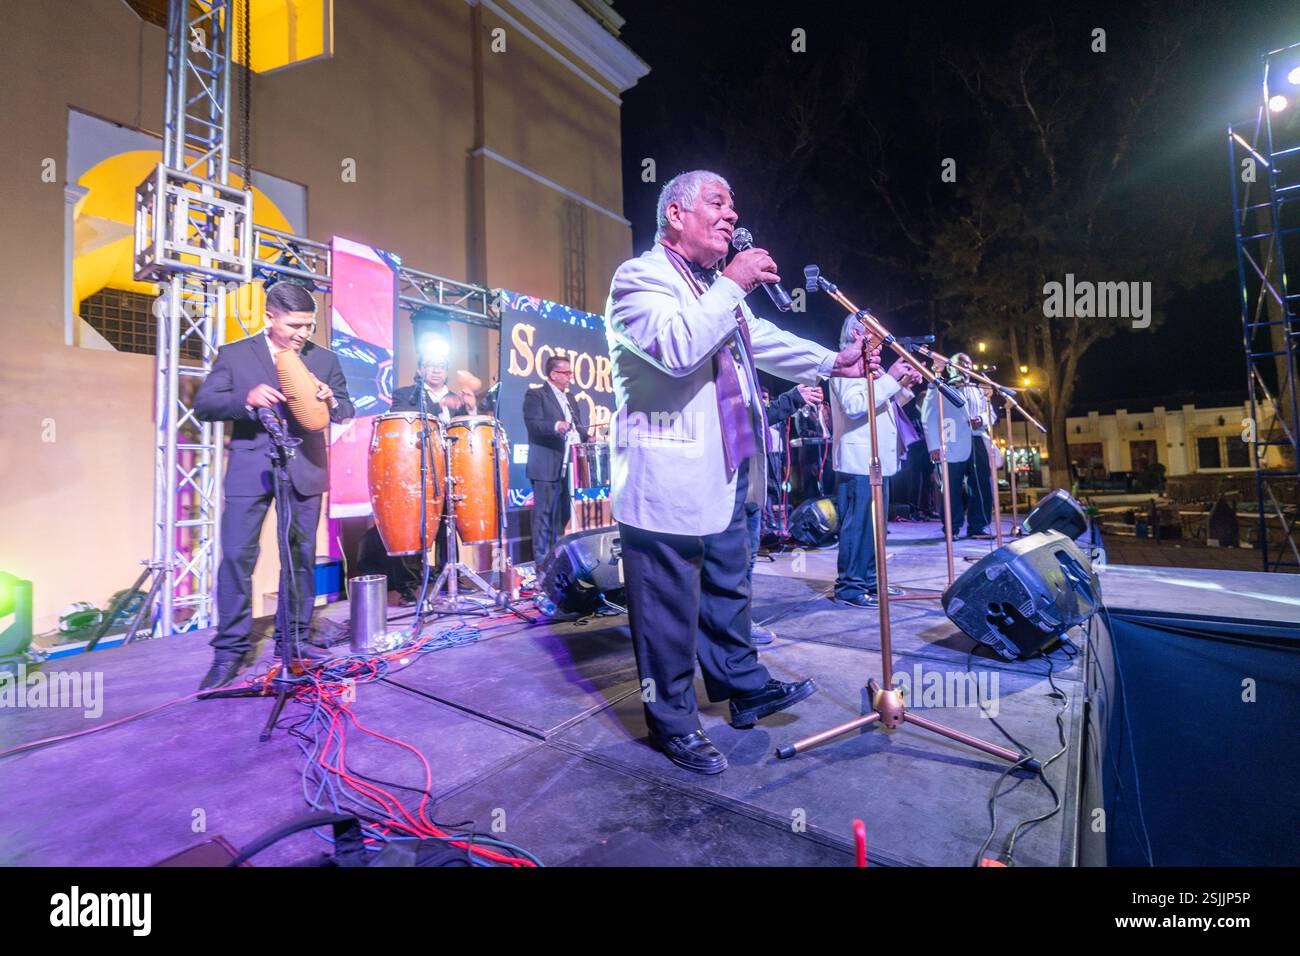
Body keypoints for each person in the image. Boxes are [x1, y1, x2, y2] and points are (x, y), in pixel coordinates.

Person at [605, 169, 878, 775]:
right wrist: (731, 284)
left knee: (729, 587)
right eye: (718, 203)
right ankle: (672, 723)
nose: (731, 215)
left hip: (728, 466)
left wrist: (835, 361)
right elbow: (677, 348)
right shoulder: (639, 278)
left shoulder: (709, 288)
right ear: (676, 214)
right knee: (668, 608)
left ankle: (742, 683)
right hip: (667, 475)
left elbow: (767, 343)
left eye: (735, 205)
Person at [193, 281, 354, 691]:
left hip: (304, 468)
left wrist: (330, 399)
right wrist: (246, 400)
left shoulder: (325, 359)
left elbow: (346, 409)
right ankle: (229, 650)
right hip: (251, 469)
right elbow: (206, 404)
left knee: (299, 557)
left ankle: (293, 642)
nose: (303, 333)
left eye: (308, 325)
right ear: (269, 317)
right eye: (295, 325)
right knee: (237, 557)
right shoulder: (236, 354)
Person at [829, 329, 923, 607]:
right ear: (856, 332)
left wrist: (903, 384)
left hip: (878, 460)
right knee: (857, 527)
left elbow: (884, 405)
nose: (882, 334)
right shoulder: (844, 365)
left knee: (875, 528)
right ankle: (850, 587)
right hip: (859, 461)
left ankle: (871, 581)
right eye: (873, 328)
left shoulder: (873, 365)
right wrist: (892, 378)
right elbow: (856, 406)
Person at [747, 383, 823, 645]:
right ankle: (737, 625)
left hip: (749, 480)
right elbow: (751, 417)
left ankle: (737, 622)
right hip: (734, 479)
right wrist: (791, 400)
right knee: (739, 561)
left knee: (746, 558)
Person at [524, 354, 590, 565]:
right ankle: (542, 564)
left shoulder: (570, 399)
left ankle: (556, 560)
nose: (571, 377)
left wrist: (588, 436)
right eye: (567, 373)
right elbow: (533, 425)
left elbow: (577, 425)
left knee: (561, 515)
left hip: (568, 465)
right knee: (543, 516)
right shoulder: (536, 395)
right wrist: (556, 426)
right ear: (553, 374)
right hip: (546, 465)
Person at [921, 352, 994, 539]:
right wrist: (934, 446)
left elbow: (991, 414)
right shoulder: (940, 387)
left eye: (968, 363)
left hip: (977, 441)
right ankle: (952, 528)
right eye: (960, 363)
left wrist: (982, 419)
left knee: (981, 485)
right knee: (952, 488)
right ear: (950, 367)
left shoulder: (977, 389)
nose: (965, 367)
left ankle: (978, 526)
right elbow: (928, 417)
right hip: (951, 443)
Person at [390, 356, 475, 422]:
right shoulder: (403, 395)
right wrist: (440, 405)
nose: (436, 370)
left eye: (442, 366)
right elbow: (401, 423)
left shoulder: (457, 401)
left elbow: (466, 433)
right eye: (430, 365)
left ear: (446, 373)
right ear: (419, 371)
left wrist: (471, 409)